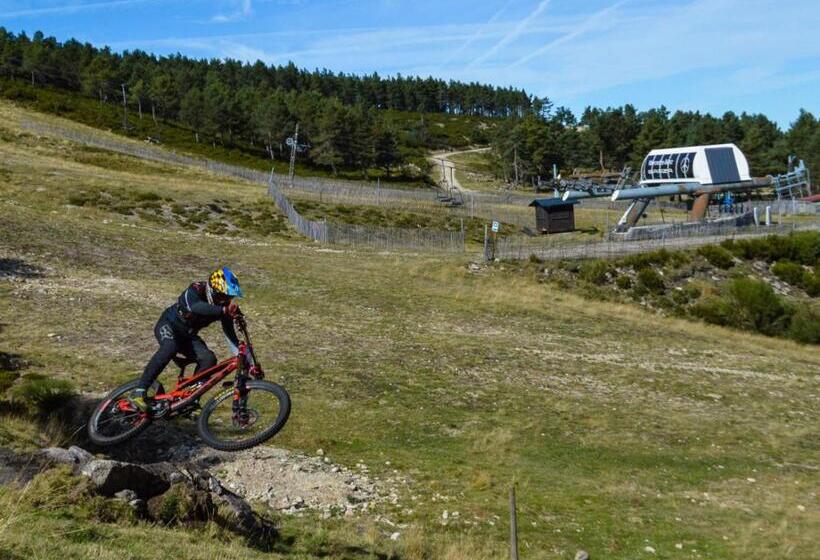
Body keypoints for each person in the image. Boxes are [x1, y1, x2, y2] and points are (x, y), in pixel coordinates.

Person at [130, 267, 244, 413]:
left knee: (208, 359)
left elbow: (229, 333)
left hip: (188, 336)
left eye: (229, 297)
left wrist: (240, 353)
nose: (225, 300)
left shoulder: (223, 306)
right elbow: (195, 307)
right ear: (213, 290)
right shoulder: (196, 289)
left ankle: (189, 399)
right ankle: (139, 391)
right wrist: (223, 311)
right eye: (223, 296)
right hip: (169, 325)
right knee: (170, 347)